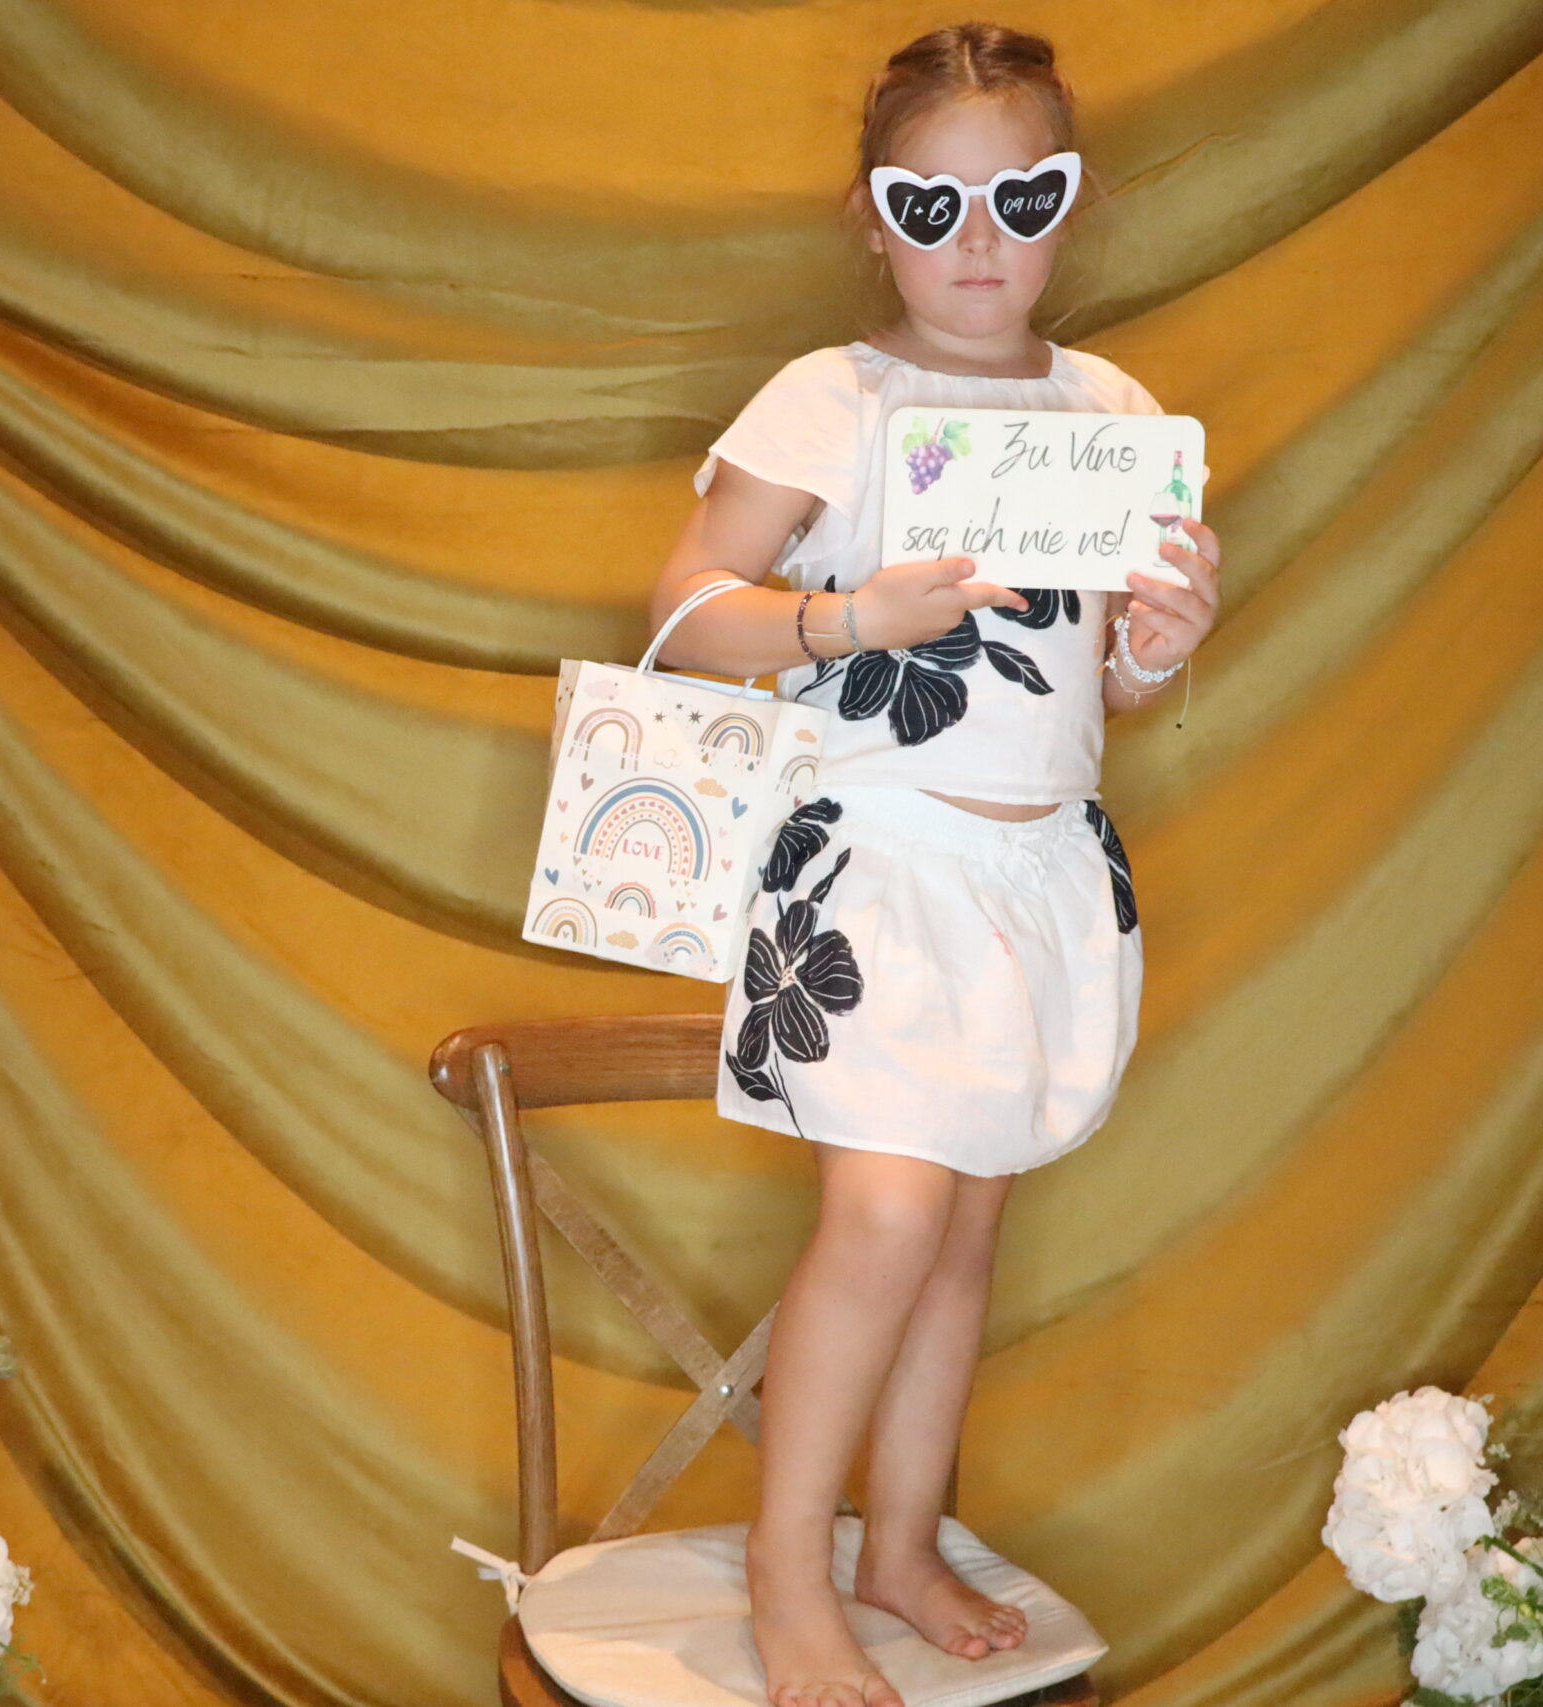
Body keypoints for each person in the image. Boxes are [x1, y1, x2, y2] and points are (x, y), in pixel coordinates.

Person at [643, 23, 1224, 1707]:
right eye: (931, 203)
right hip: (874, 869)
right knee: (888, 1216)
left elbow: (1090, 672)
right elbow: (683, 615)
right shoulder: (831, 399)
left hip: (1040, 873)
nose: (978, 241)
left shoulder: (1111, 412)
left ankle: (897, 1542)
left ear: (1070, 204)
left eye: (1020, 198)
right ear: (872, 214)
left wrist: (1162, 644)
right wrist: (847, 617)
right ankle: (788, 1570)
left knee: (964, 1231)